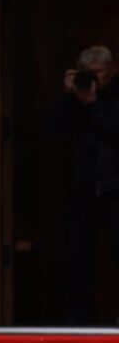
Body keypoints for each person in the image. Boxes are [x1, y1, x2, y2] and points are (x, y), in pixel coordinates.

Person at [54, 45, 119, 324]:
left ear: (112, 71)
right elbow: (53, 128)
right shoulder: (74, 98)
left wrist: (94, 103)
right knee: (77, 256)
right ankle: (76, 319)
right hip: (82, 188)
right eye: (88, 74)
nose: (94, 80)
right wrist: (70, 97)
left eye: (100, 74)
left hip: (116, 188)